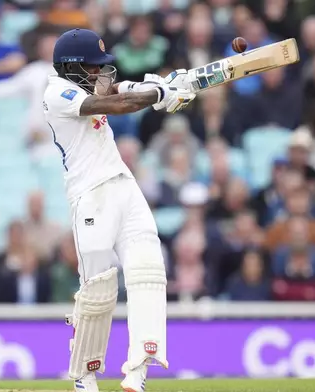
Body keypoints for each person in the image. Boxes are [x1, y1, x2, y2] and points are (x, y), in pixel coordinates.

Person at [43, 28, 195, 392]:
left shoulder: (86, 84)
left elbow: (118, 90)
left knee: (148, 271)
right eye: (93, 68)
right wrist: (157, 94)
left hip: (125, 187)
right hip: (90, 195)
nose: (99, 73)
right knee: (97, 289)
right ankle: (84, 375)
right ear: (71, 67)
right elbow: (114, 104)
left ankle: (137, 372)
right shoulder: (56, 93)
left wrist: (161, 87)